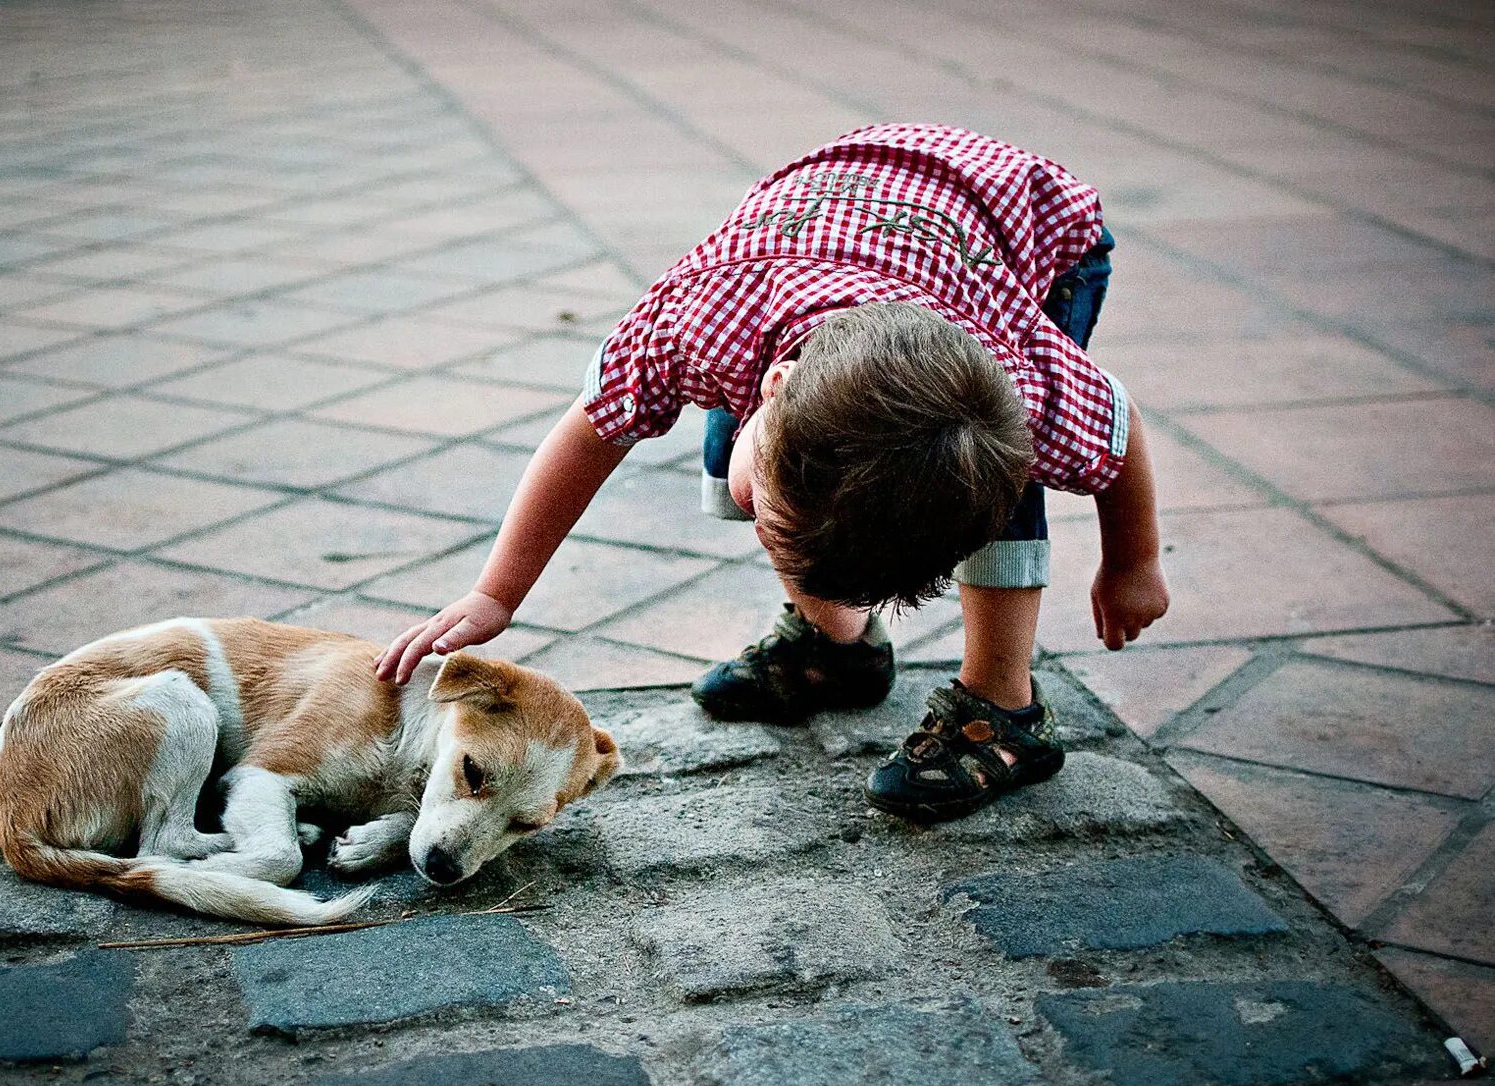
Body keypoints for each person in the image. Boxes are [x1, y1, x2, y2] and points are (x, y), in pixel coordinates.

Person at [376, 124, 1169, 822]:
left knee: (988, 478)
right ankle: (839, 650)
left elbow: (1117, 423)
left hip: (1039, 242)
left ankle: (1005, 708)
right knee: (736, 462)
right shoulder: (694, 323)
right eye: (774, 527)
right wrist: (497, 592)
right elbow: (590, 433)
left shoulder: (1022, 382)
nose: (767, 540)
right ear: (774, 386)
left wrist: (1133, 562)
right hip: (854, 219)